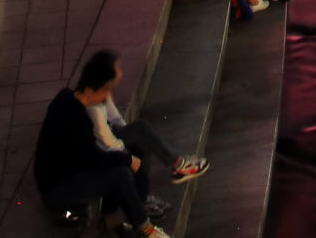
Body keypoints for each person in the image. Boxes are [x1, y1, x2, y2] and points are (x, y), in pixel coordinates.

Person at [32, 48, 204, 236]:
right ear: (91, 89)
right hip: (58, 190)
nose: (107, 97)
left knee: (121, 160)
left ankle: (118, 217)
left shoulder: (66, 97)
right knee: (119, 173)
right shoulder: (78, 118)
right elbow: (93, 159)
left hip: (69, 172)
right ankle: (147, 230)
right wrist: (127, 160)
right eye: (106, 91)